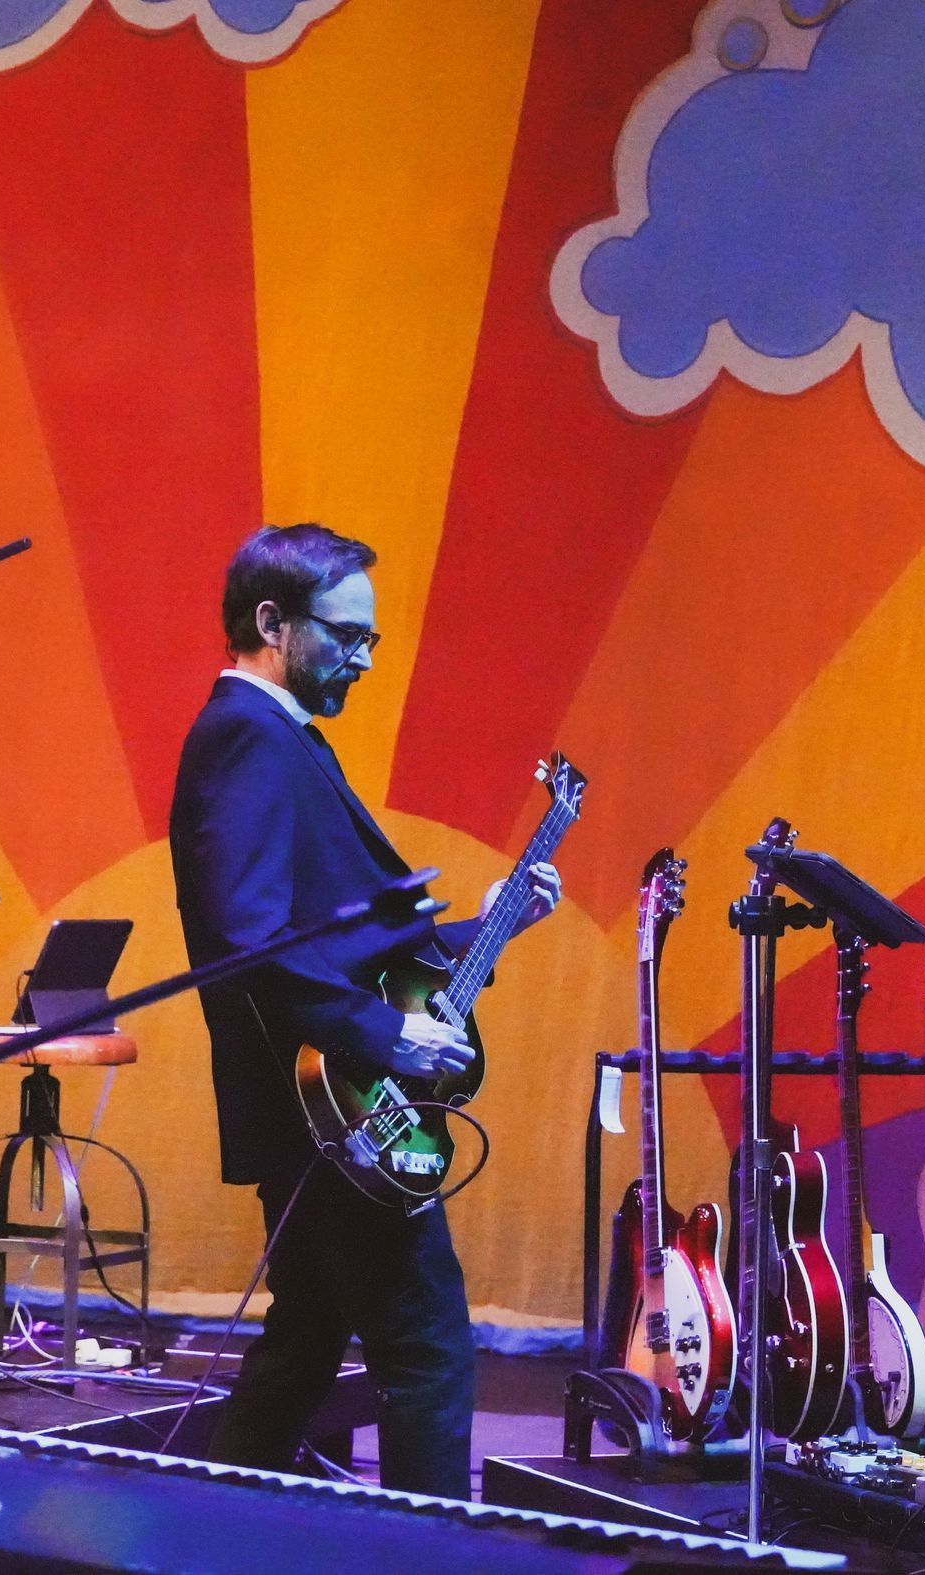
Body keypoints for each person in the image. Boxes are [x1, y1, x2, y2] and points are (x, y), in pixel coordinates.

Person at [169, 523, 560, 1498]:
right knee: (428, 1350)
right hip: (329, 1116)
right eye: (347, 637)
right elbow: (254, 937)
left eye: (370, 641)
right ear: (272, 622)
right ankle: (421, 1551)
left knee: (303, 1343)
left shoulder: (274, 740)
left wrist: (489, 929)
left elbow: (343, 946)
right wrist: (385, 1036)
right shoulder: (248, 740)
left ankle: (197, 1532)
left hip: (328, 1107)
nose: (365, 659)